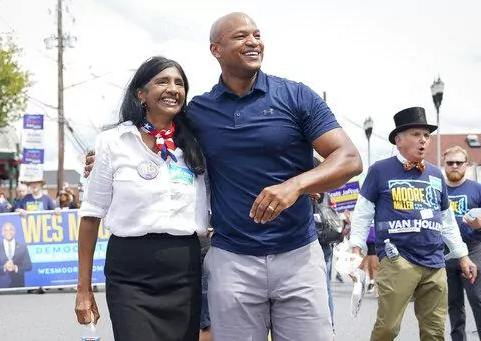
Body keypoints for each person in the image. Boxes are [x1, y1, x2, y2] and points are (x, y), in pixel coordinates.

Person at [84, 13, 361, 341]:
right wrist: (102, 159)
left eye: (257, 35)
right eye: (241, 36)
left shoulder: (297, 96)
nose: (253, 41)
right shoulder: (198, 113)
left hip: (298, 255)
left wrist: (296, 185)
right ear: (216, 49)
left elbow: (349, 159)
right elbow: (152, 134)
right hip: (233, 260)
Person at [75, 56, 208, 341]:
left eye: (179, 83)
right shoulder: (111, 143)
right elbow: (91, 214)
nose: (173, 88)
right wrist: (83, 289)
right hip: (129, 274)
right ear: (141, 94)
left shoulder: (198, 143)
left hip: (184, 272)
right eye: (162, 81)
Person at [349, 106, 477, 340]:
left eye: (426, 135)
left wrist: (462, 255)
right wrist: (356, 249)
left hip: (435, 263)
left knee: (434, 332)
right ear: (399, 140)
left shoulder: (436, 175)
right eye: (416, 134)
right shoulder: (380, 170)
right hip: (398, 260)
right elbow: (363, 212)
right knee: (387, 328)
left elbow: (447, 220)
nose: (424, 141)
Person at [443, 145, 481, 341]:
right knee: (453, 303)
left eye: (459, 162)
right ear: (444, 164)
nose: (455, 166)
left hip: (474, 249)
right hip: (446, 253)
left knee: (478, 299)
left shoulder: (477, 189)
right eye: (450, 163)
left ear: (466, 164)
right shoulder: (438, 188)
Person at [0, 222, 32, 288]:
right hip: (0, 287)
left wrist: (16, 268)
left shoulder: (22, 247)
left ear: (14, 232)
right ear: (2, 233)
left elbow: (28, 266)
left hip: (18, 286)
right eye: (6, 230)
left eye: (11, 229)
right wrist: (4, 267)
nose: (8, 232)